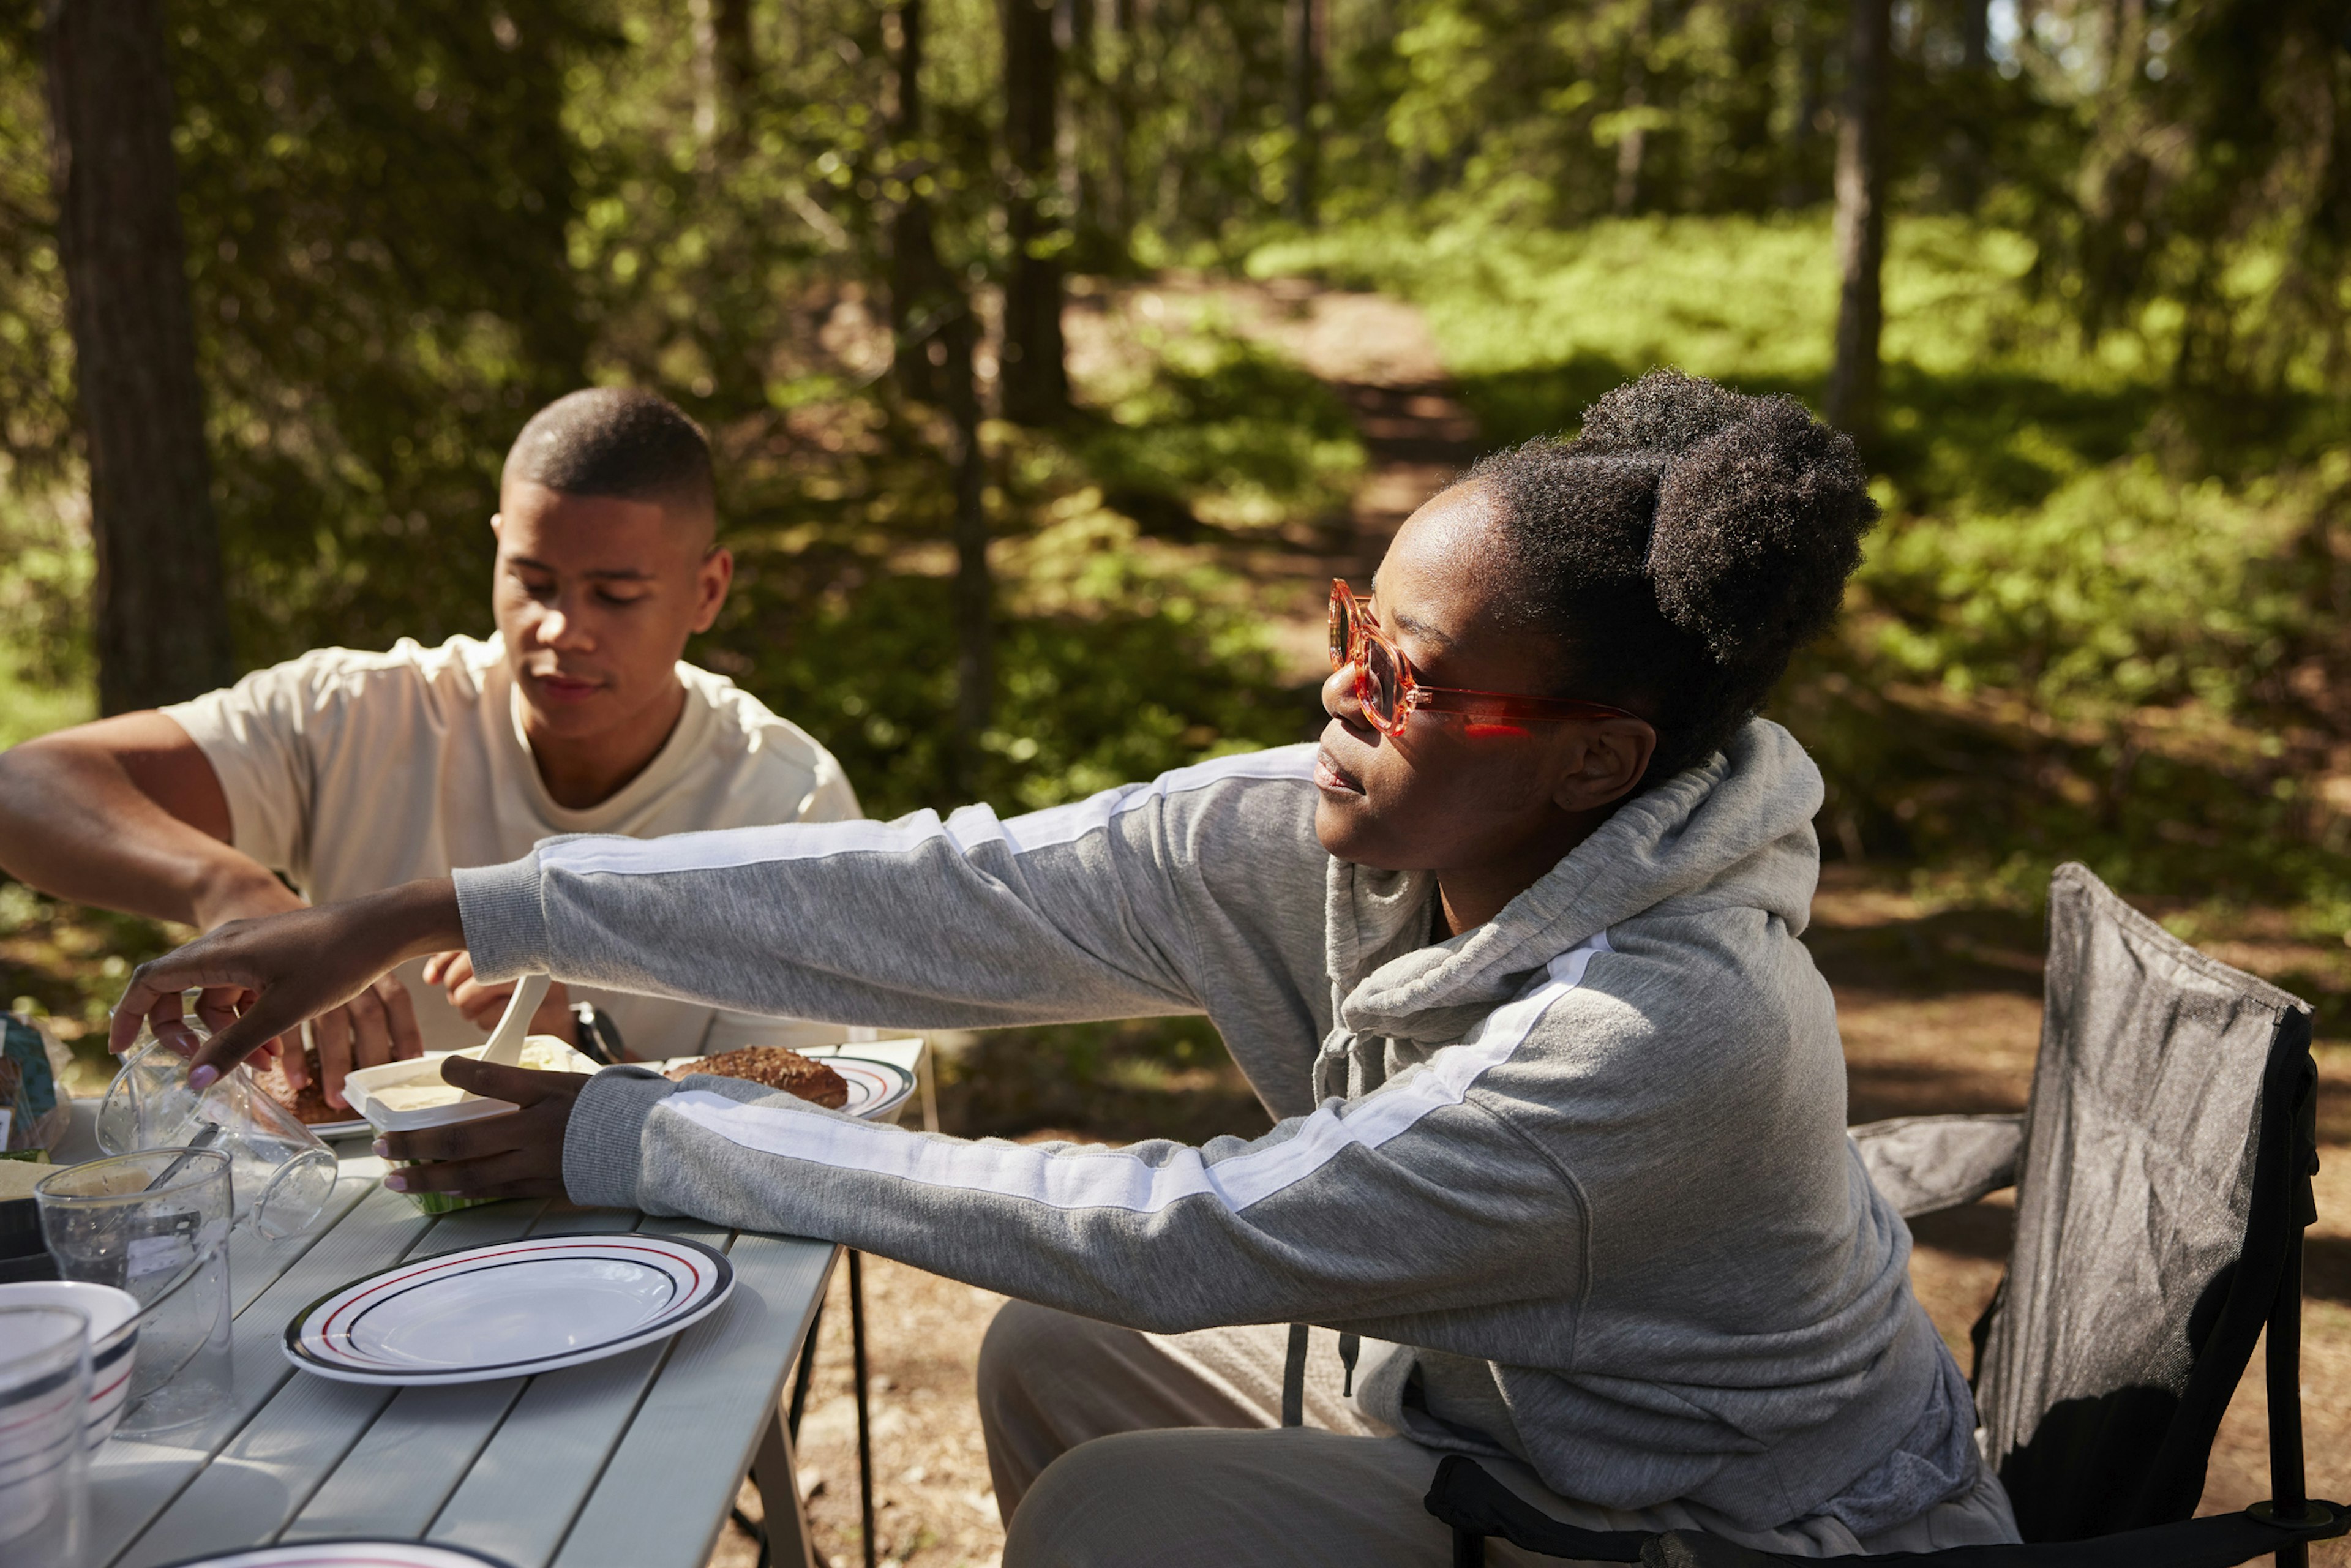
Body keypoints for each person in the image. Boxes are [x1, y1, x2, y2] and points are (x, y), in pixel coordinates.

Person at [115, 371, 2020, 1562]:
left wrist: (642, 1133)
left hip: (1716, 1525)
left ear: (1597, 761)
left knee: (1126, 1501)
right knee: (1057, 1362)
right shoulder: (1343, 825)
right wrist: (434, 903)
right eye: (1357, 629)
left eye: (1412, 682)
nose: (1337, 696)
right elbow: (946, 894)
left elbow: (1185, 1228)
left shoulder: (1666, 1030)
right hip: (1487, 1416)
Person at [2, 388, 859, 1108]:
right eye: (532, 581)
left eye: (617, 594)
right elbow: (27, 786)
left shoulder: (786, 801)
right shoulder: (357, 712)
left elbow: (794, 1111)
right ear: (496, 551)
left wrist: (580, 1055)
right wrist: (237, 892)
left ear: (707, 589)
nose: (562, 629)